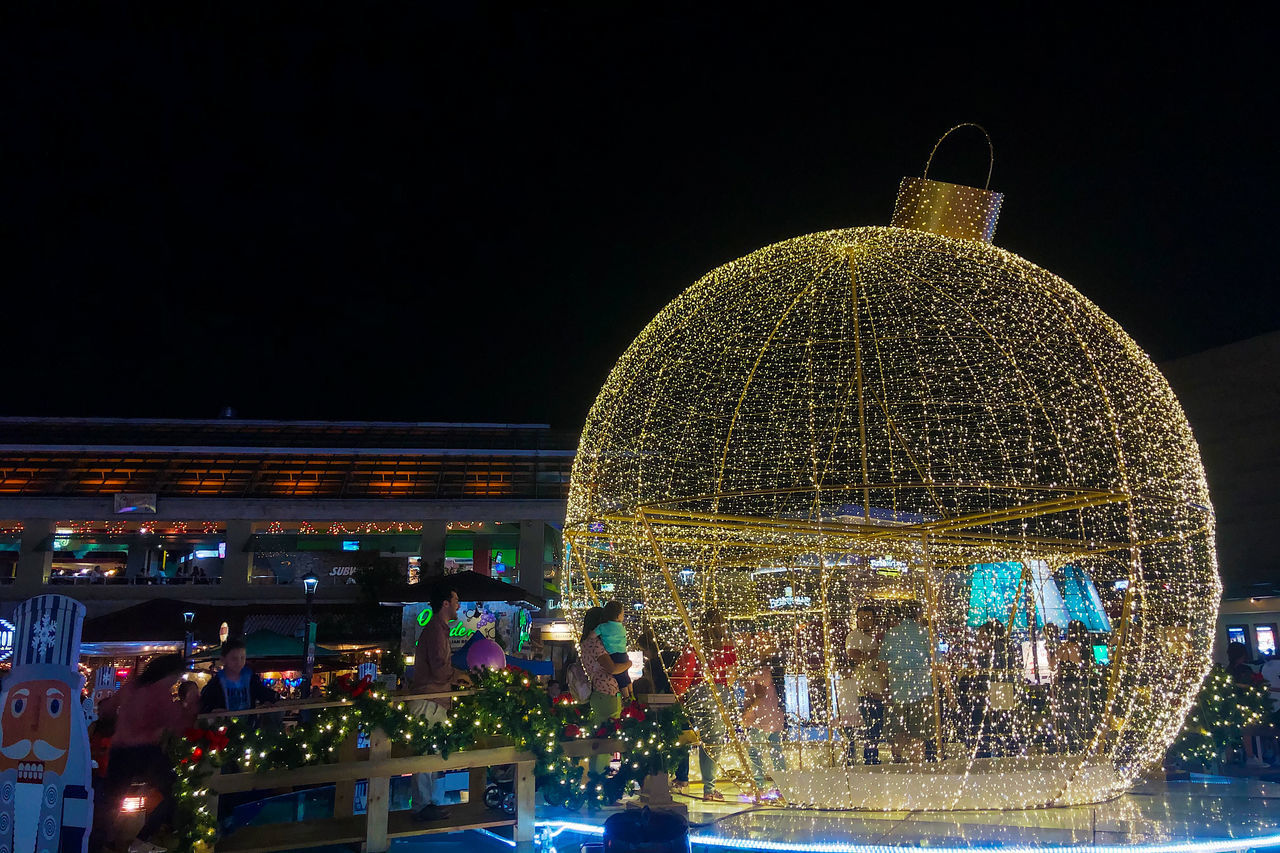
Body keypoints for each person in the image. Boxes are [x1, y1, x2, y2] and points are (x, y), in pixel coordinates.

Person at [98, 654, 197, 853]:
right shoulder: (163, 693)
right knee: (174, 792)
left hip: (120, 749)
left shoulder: (132, 687)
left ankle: (104, 841)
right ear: (171, 673)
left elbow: (107, 708)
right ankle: (145, 836)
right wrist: (191, 707)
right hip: (146, 751)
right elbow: (179, 724)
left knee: (111, 798)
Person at [409, 578, 473, 821]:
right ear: (445, 603)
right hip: (430, 698)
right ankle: (424, 804)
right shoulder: (437, 630)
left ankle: (428, 803)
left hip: (433, 698)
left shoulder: (438, 629)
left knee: (432, 754)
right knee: (427, 754)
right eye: (456, 600)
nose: (459, 605)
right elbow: (439, 668)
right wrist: (459, 676)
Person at [670, 609, 737, 801]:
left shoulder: (695, 644)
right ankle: (709, 788)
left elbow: (684, 670)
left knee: (694, 739)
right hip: (717, 693)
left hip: (695, 693)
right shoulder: (727, 647)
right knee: (713, 742)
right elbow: (731, 678)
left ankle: (681, 778)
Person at [578, 606, 631, 778]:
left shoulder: (586, 642)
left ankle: (597, 780)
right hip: (608, 692)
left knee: (601, 739)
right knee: (607, 741)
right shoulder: (596, 644)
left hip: (598, 693)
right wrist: (629, 664)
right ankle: (603, 781)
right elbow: (613, 668)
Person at [878, 603, 934, 763]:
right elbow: (939, 666)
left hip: (897, 692)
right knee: (918, 735)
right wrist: (950, 694)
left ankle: (899, 765)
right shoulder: (925, 634)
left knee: (898, 733)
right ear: (920, 615)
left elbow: (882, 667)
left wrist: (885, 691)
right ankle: (917, 769)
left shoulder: (891, 634)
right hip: (922, 692)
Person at [843, 606, 887, 764]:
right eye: (861, 618)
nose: (864, 621)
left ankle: (872, 755)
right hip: (864, 687)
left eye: (868, 617)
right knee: (871, 725)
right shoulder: (854, 636)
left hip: (879, 685)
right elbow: (855, 657)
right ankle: (870, 757)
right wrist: (877, 651)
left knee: (877, 724)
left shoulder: (878, 635)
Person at [199, 638, 280, 713]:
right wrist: (213, 710)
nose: (239, 662)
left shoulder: (251, 678)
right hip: (224, 725)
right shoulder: (216, 683)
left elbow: (264, 694)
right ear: (223, 660)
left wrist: (269, 700)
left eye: (242, 658)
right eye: (234, 659)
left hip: (249, 725)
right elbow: (205, 704)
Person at [741, 660, 785, 800]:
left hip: (759, 720)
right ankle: (781, 786)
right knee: (776, 753)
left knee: (755, 752)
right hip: (774, 719)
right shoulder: (767, 673)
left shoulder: (757, 674)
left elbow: (759, 696)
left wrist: (747, 712)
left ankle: (759, 787)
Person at [595, 600, 633, 699]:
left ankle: (627, 697)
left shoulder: (603, 627)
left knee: (620, 677)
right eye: (622, 614)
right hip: (624, 653)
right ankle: (632, 693)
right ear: (618, 615)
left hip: (613, 654)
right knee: (625, 675)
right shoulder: (621, 627)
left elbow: (592, 635)